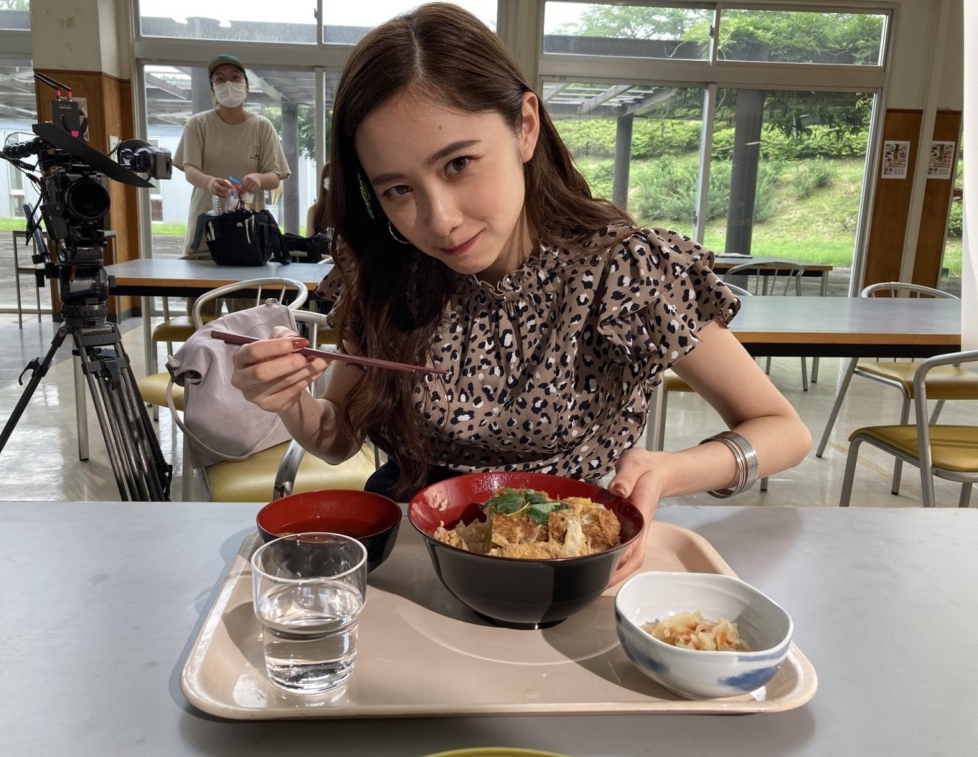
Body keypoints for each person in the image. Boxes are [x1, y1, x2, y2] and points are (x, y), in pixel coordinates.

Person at [230, 3, 812, 581]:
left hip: (566, 555)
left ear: (525, 127)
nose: (441, 220)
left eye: (458, 163)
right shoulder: (389, 271)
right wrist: (292, 401)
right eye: (398, 190)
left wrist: (668, 470)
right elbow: (338, 439)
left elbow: (783, 429)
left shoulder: (625, 270)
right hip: (413, 552)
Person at [173, 54, 291, 261]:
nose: (228, 84)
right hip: (208, 230)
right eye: (220, 79)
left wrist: (258, 178)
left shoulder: (262, 127)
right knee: (202, 279)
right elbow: (190, 170)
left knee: (247, 281)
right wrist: (209, 182)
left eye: (235, 77)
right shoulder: (198, 125)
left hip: (249, 234)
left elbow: (275, 177)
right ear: (212, 90)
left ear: (247, 86)